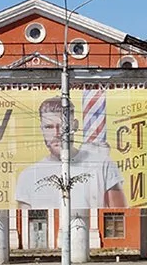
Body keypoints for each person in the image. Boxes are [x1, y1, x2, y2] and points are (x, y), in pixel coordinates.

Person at [13, 95, 128, 243]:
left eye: (63, 126)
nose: (56, 133)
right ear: (41, 129)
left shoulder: (102, 164)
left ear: (74, 125)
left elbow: (119, 212)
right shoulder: (27, 176)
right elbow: (24, 218)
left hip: (88, 240)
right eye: (48, 127)